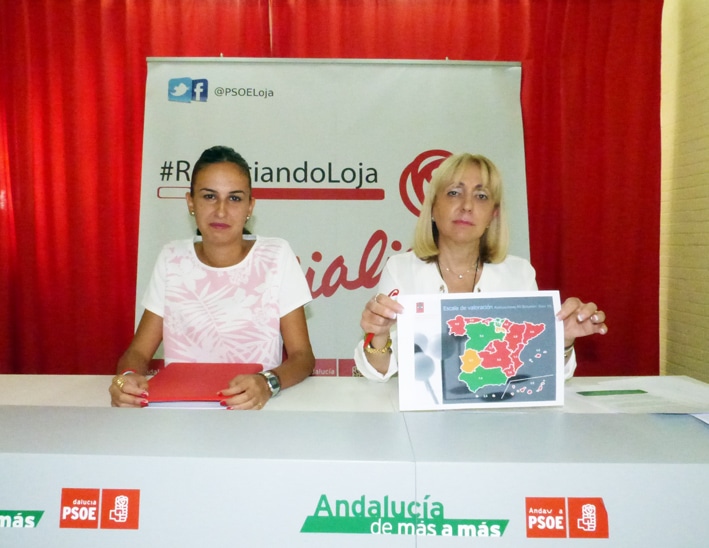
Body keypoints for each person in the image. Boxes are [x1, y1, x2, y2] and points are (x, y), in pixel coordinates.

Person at [355, 152, 607, 381]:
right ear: (433, 207)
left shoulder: (519, 274)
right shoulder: (400, 269)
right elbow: (379, 373)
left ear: (493, 215)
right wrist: (378, 335)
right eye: (454, 192)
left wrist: (562, 339)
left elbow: (538, 372)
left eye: (481, 196)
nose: (466, 206)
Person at [110, 146, 314, 408]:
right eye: (209, 196)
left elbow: (302, 357)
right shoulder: (172, 258)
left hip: (255, 409)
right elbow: (137, 353)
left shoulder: (276, 255)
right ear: (190, 202)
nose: (220, 210)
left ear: (250, 206)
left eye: (235, 198)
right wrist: (125, 379)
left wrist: (267, 383)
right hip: (179, 413)